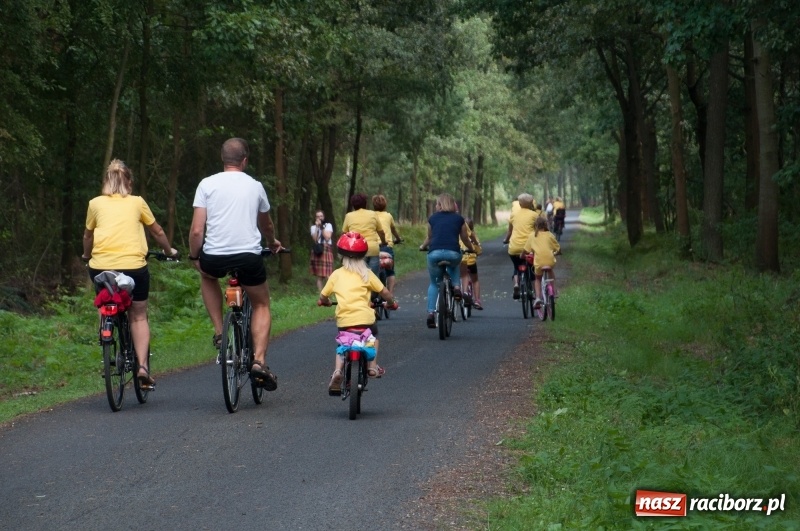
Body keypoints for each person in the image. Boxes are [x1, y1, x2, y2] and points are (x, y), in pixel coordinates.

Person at [188, 137, 282, 391]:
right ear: (244, 161)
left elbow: (197, 230)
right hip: (248, 257)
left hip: (215, 256)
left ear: (222, 160)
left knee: (207, 276)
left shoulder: (206, 184)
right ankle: (259, 362)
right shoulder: (255, 186)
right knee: (261, 303)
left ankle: (220, 332)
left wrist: (195, 256)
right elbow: (267, 225)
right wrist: (272, 242)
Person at [82, 159, 179, 389]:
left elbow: (88, 236)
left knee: (102, 299)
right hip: (133, 267)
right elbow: (157, 231)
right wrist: (169, 251)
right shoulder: (137, 202)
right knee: (138, 315)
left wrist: (87, 256)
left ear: (107, 181)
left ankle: (105, 327)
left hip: (101, 266)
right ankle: (143, 367)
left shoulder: (95, 203)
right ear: (129, 182)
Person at [318, 232, 398, 393]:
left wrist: (325, 301)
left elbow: (323, 296)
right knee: (372, 337)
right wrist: (391, 303)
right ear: (363, 256)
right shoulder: (367, 274)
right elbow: (385, 293)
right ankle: (373, 366)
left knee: (342, 343)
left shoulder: (336, 274)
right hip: (365, 320)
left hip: (345, 321)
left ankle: (337, 371)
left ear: (342, 255)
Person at [419, 193, 475, 328]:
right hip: (453, 253)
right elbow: (465, 239)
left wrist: (422, 246)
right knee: (455, 262)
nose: (435, 206)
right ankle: (456, 287)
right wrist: (472, 248)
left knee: (434, 284)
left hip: (434, 254)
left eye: (437, 204)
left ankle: (431, 314)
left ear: (440, 205)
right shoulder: (459, 219)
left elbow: (431, 238)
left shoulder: (432, 218)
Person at [502, 193, 538, 299]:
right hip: (529, 248)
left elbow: (509, 232)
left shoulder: (514, 215)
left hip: (514, 247)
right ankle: (534, 292)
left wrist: (505, 240)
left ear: (520, 204)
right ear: (531, 203)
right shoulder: (534, 215)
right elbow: (538, 232)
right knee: (532, 268)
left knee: (516, 267)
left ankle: (516, 284)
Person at [342, 193, 387, 277]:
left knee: (358, 277)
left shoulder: (349, 216)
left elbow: (344, 234)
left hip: (357, 250)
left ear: (353, 205)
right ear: (365, 203)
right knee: (373, 278)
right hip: (372, 249)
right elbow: (381, 232)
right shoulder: (373, 214)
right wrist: (384, 242)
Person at [523, 216, 560, 307]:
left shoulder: (532, 236)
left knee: (538, 279)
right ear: (546, 224)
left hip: (539, 262)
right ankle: (554, 292)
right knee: (551, 271)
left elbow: (526, 250)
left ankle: (538, 298)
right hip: (550, 260)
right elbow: (558, 248)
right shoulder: (550, 235)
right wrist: (557, 252)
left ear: (535, 225)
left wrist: (522, 255)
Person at [372, 194, 402, 293]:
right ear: (385, 205)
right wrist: (398, 239)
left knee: (372, 271)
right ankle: (390, 295)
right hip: (386, 247)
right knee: (390, 272)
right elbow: (393, 230)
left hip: (373, 247)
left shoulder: (371, 216)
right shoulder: (388, 216)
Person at [459, 217, 483, 310]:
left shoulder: (458, 236)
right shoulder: (474, 236)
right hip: (471, 261)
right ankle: (477, 300)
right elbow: (478, 250)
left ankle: (461, 291)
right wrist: (477, 252)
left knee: (461, 276)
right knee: (475, 280)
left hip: (461, 261)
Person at [310, 210, 334, 291]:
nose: (320, 218)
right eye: (318, 216)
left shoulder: (328, 225)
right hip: (318, 250)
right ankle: (321, 293)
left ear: (324, 217)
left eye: (321, 216)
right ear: (315, 218)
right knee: (319, 275)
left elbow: (327, 237)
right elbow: (315, 239)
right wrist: (317, 228)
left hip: (326, 248)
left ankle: (330, 292)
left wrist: (321, 227)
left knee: (328, 274)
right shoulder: (313, 227)